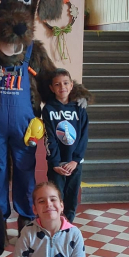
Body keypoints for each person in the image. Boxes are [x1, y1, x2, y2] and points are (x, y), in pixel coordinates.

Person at [42, 68, 89, 223]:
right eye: (57, 84)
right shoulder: (48, 109)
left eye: (65, 83)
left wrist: (76, 160)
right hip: (57, 165)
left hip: (74, 163)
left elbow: (83, 136)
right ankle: (54, 224)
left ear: (71, 85)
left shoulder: (79, 108)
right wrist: (55, 163)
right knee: (55, 196)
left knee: (71, 196)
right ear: (51, 88)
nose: (62, 87)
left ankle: (67, 225)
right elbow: (49, 137)